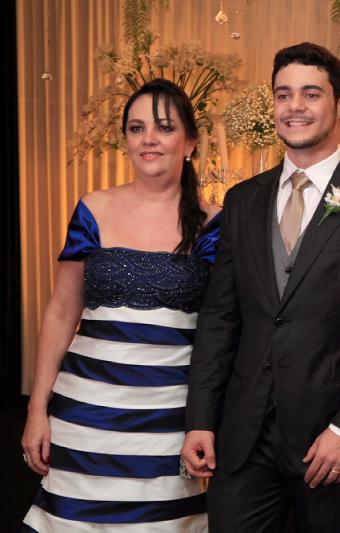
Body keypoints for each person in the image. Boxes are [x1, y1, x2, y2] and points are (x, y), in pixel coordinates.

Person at [180, 42, 340, 533]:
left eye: (311, 94)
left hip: (329, 437)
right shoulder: (243, 200)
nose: (295, 106)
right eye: (283, 94)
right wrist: (200, 417)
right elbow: (221, 317)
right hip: (244, 437)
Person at [20, 79, 221, 531]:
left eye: (164, 127)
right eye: (137, 128)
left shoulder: (214, 225)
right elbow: (61, 312)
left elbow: (223, 328)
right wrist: (37, 409)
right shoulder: (93, 209)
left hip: (169, 420)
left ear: (190, 142)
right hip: (85, 411)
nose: (149, 138)